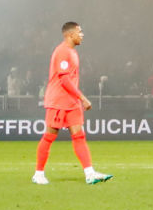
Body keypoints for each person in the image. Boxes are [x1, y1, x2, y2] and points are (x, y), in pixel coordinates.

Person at [33, 21, 110, 185]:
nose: (82, 35)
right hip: (58, 101)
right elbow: (64, 80)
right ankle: (38, 174)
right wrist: (83, 98)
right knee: (49, 137)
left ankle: (90, 173)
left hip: (71, 102)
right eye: (79, 32)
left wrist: (77, 99)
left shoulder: (73, 52)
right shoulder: (62, 52)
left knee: (79, 136)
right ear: (70, 34)